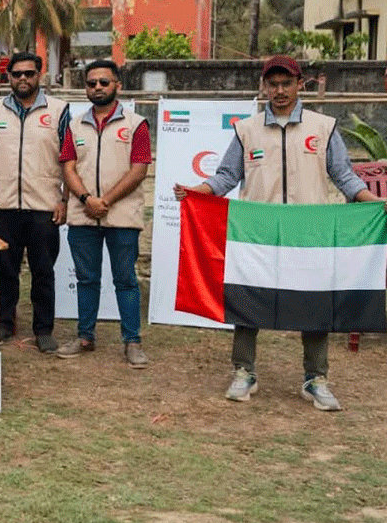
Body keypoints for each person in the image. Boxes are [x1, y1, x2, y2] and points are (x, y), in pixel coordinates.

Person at [174, 55, 384, 410]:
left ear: (299, 85)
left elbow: (344, 176)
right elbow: (226, 176)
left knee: (316, 303)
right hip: (257, 232)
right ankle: (244, 372)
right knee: (246, 299)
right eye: (273, 84)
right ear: (264, 87)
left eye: (287, 83)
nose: (280, 91)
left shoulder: (324, 127)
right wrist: (198, 192)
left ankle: (315, 379)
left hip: (309, 233)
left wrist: (373, 201)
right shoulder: (247, 129)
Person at [57, 59, 151, 369]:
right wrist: (85, 198)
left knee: (125, 280)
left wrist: (105, 200)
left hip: (121, 215)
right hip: (83, 214)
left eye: (104, 82)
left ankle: (132, 341)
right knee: (86, 279)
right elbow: (67, 167)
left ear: (117, 86)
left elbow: (139, 170)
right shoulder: (73, 125)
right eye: (91, 83)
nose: (97, 87)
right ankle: (85, 336)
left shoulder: (136, 124)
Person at [0, 52, 70, 352]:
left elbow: (69, 158)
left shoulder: (59, 110)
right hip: (4, 206)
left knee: (43, 270)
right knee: (6, 269)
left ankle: (44, 329)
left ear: (39, 76)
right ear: (8, 76)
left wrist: (64, 198)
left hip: (44, 205)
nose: (22, 79)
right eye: (16, 74)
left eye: (28, 73)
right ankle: (5, 322)